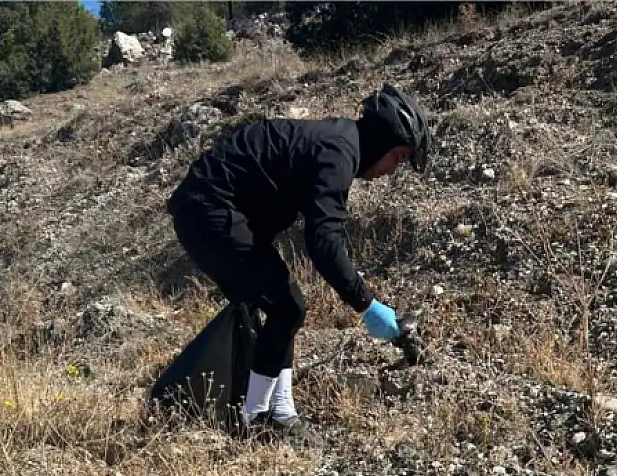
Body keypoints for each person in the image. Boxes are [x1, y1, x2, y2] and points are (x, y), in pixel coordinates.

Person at [165, 84, 433, 435]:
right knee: (286, 305)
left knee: (284, 306)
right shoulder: (338, 153)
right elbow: (323, 241)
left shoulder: (340, 141)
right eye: (398, 157)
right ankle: (256, 418)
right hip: (207, 209)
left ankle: (279, 410)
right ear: (383, 140)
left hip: (215, 208)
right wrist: (366, 305)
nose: (393, 169)